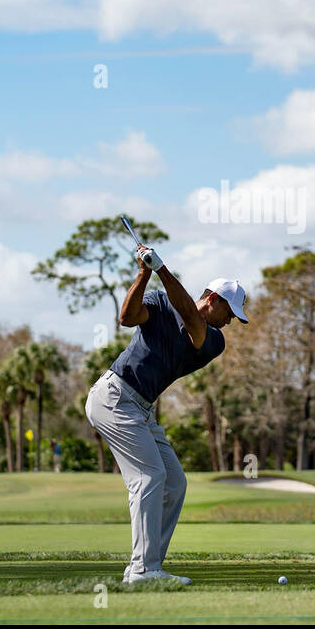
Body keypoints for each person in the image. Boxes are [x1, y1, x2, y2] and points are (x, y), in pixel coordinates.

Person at [84, 243, 248, 586]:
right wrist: (144, 273)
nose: (231, 321)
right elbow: (127, 318)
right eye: (230, 312)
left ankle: (144, 566)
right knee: (148, 477)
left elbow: (191, 320)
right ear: (213, 299)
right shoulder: (159, 303)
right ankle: (144, 570)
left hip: (140, 408)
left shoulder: (214, 339)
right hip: (114, 396)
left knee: (173, 482)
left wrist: (161, 269)